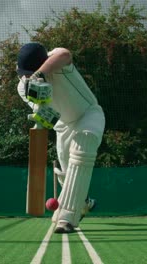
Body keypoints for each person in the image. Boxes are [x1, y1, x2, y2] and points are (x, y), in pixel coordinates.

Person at [16, 42, 105, 233]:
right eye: (24, 73)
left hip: (88, 114)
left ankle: (67, 218)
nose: (25, 77)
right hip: (63, 125)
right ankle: (84, 202)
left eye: (29, 72)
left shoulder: (56, 58)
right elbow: (47, 114)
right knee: (66, 173)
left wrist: (39, 75)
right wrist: (39, 111)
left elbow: (65, 54)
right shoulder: (23, 87)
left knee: (83, 147)